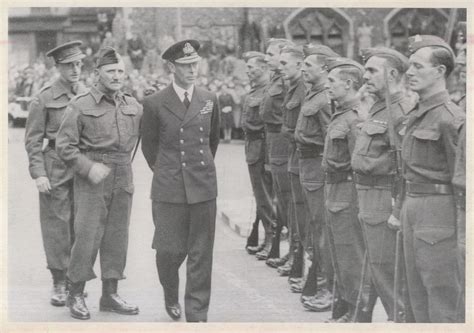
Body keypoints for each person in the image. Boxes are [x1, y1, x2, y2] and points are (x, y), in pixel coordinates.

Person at [56, 47, 142, 320]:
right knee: (87, 236)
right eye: (110, 71)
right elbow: (64, 146)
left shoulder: (133, 105)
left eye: (120, 71)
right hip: (92, 177)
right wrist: (88, 167)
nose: (116, 76)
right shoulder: (80, 105)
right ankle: (76, 293)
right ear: (97, 74)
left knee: (117, 236)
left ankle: (110, 293)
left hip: (123, 174)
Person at [141, 40, 220, 322]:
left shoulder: (209, 99)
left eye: (195, 64)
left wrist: (198, 171)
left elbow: (213, 140)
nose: (192, 70)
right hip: (169, 188)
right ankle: (170, 293)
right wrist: (168, 171)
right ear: (171, 67)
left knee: (201, 253)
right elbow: (150, 148)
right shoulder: (154, 103)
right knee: (168, 250)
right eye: (186, 66)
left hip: (203, 186)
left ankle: (197, 313)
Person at [400, 34, 465, 322]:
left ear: (440, 72)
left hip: (438, 212)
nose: (409, 72)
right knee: (414, 293)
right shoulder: (417, 113)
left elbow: (463, 182)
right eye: (408, 66)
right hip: (412, 207)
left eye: (417, 66)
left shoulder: (451, 118)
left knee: (440, 294)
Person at [353, 47, 415, 321]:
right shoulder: (379, 107)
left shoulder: (401, 111)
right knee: (374, 268)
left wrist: (396, 208)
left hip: (383, 198)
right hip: (367, 196)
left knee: (387, 273)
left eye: (371, 70)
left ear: (392, 75)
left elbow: (405, 167)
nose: (364, 76)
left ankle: (400, 321)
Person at [24, 40, 87, 307]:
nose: (75, 69)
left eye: (78, 64)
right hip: (55, 167)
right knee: (57, 227)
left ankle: (77, 282)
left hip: (82, 167)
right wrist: (38, 173)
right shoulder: (45, 97)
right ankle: (60, 282)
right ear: (57, 66)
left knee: (82, 225)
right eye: (69, 65)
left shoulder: (88, 93)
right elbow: (32, 140)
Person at [322, 57, 366, 322]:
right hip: (333, 192)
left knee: (351, 255)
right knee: (338, 253)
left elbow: (358, 164)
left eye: (332, 82)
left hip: (347, 194)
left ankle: (356, 312)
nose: (328, 86)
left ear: (349, 84)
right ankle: (344, 308)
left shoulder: (355, 119)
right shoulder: (340, 113)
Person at [295, 44, 337, 312]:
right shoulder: (314, 95)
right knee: (314, 229)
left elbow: (329, 140)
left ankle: (326, 287)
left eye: (308, 65)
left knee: (322, 232)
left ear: (324, 68)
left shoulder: (323, 100)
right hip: (307, 168)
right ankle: (317, 281)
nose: (302, 68)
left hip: (318, 171)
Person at [261, 38, 293, 268]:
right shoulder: (274, 79)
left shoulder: (287, 81)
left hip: (282, 141)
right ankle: (290, 252)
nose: (266, 58)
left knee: (287, 200)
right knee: (280, 198)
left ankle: (295, 252)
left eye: (271, 54)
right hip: (272, 140)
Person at [241, 51, 275, 260]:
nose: (247, 71)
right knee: (261, 197)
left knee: (265, 198)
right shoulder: (256, 91)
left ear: (263, 68)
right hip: (254, 149)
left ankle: (271, 238)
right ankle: (266, 236)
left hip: (263, 149)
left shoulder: (268, 92)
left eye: (251, 67)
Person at [278, 45, 306, 281]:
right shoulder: (293, 88)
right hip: (294, 154)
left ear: (300, 64)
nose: (280, 67)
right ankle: (295, 260)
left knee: (302, 215)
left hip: (302, 155)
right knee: (295, 212)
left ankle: (300, 264)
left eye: (285, 63)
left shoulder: (304, 89)